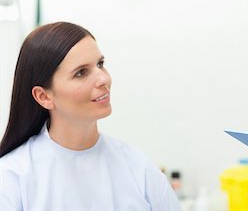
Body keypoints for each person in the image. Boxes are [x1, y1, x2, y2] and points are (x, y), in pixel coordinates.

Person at [0, 22, 182, 210]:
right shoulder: (11, 177)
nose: (104, 79)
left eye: (100, 64)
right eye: (81, 73)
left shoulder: (139, 169)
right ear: (44, 96)